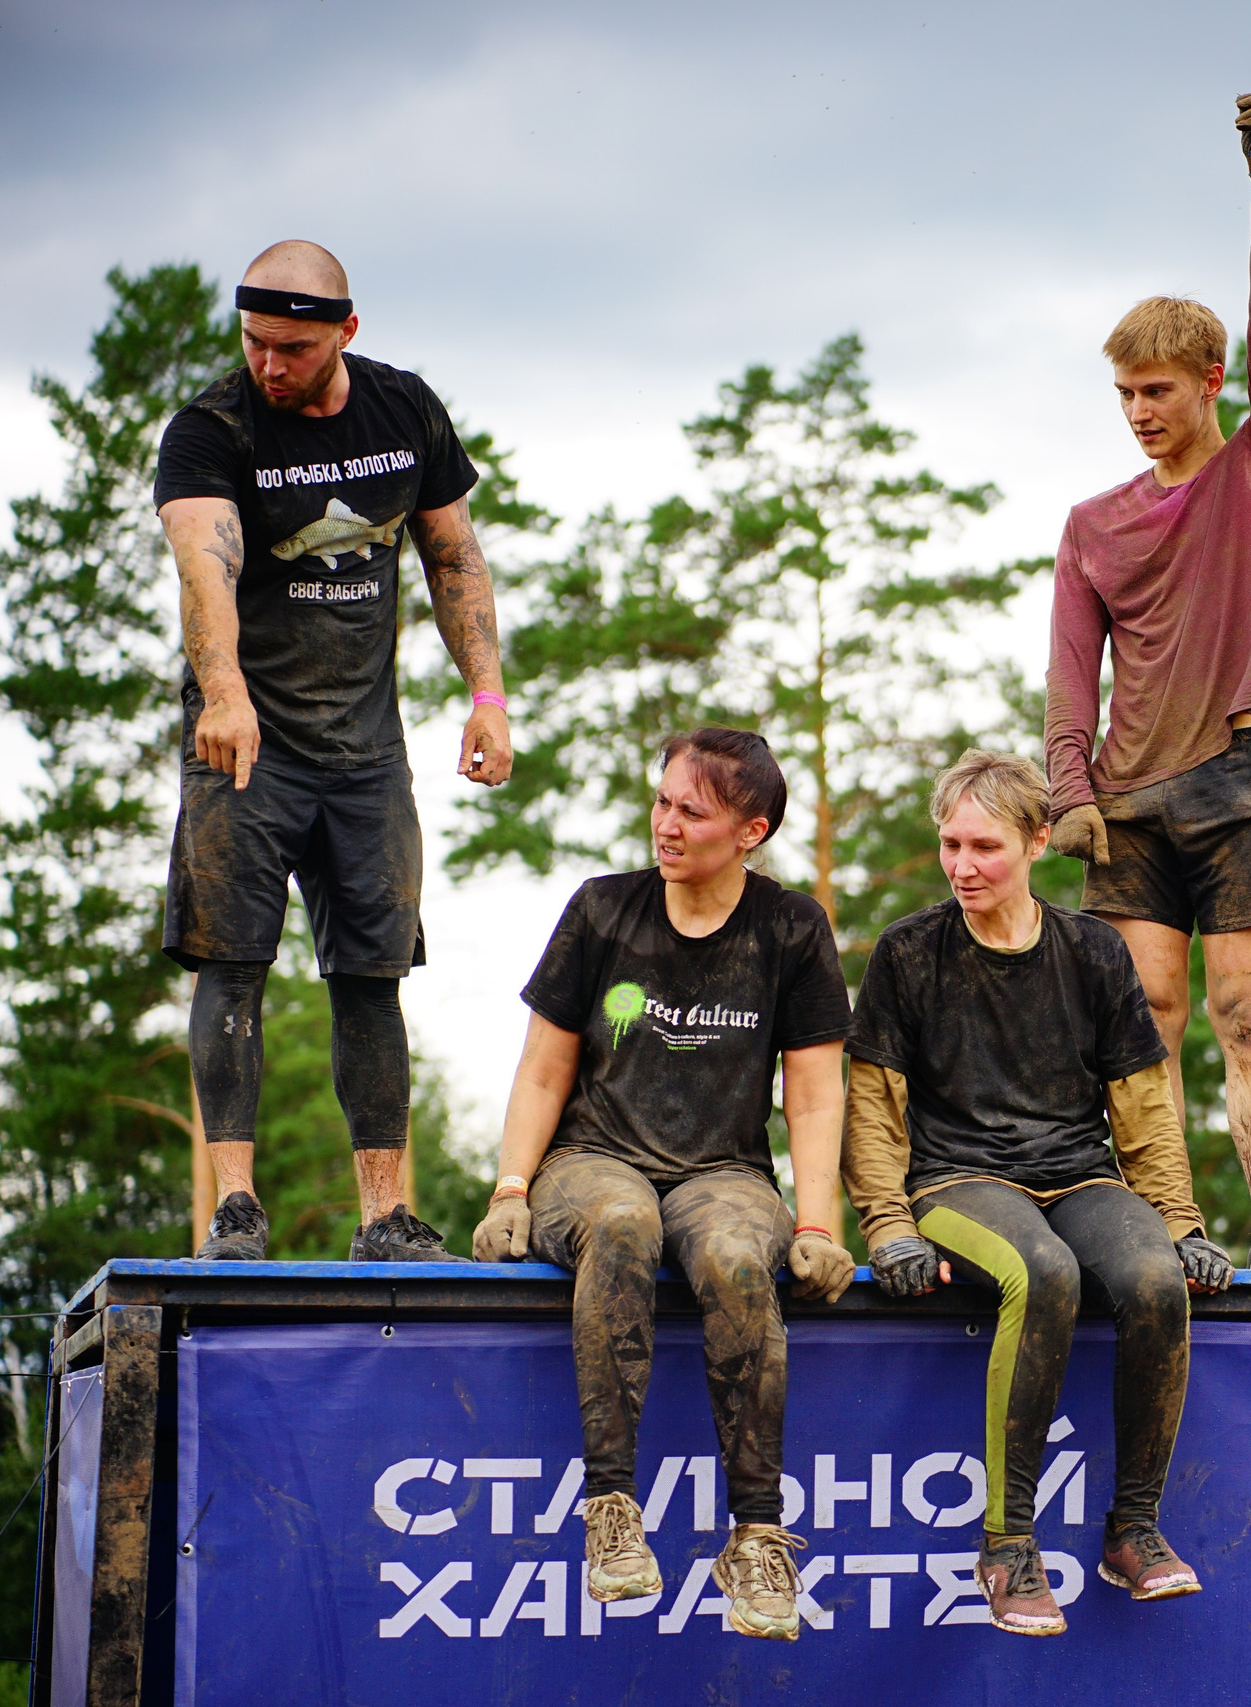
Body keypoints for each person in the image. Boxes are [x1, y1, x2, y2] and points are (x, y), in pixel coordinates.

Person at [155, 239, 512, 1262]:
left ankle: (384, 1217)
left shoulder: (403, 412)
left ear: (346, 331)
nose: (271, 365)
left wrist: (488, 697)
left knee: (372, 972)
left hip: (366, 752)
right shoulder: (213, 429)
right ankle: (235, 1208)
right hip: (247, 743)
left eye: (294, 348)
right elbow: (205, 570)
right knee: (231, 962)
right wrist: (224, 694)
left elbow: (453, 554)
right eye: (255, 343)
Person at [471, 728, 857, 1640]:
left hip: (723, 1173)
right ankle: (611, 1511)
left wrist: (817, 1223)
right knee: (622, 1220)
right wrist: (510, 1188)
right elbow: (542, 1071)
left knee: (733, 1254)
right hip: (591, 1161)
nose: (667, 823)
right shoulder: (603, 909)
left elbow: (813, 1094)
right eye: (662, 801)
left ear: (752, 831)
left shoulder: (791, 926)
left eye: (693, 811)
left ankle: (757, 1537)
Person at [843, 751, 1234, 1637]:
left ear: (1037, 840)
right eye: (950, 844)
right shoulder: (908, 950)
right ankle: (1008, 1545)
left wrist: (1180, 1223)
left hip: (1080, 1173)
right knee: (1044, 1272)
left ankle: (1132, 1530)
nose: (962, 865)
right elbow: (873, 1109)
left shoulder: (1093, 949)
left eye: (983, 846)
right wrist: (889, 1225)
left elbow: (1143, 1107)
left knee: (1155, 1280)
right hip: (957, 1180)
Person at [1041, 94, 1251, 1271]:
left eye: (1156, 391)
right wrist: (1070, 790)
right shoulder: (1093, 522)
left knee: (1244, 1011)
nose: (1138, 413)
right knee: (1145, 1020)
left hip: (1237, 777)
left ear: (1209, 381)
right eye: (1123, 394)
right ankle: (1168, 1225)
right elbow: (1071, 673)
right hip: (1125, 801)